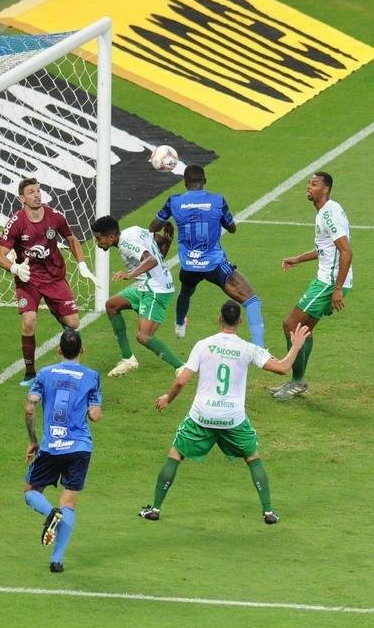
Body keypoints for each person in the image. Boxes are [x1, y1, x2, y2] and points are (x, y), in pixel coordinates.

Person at [138, 300, 310, 525]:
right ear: (240, 321)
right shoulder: (248, 349)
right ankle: (268, 512)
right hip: (233, 419)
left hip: (201, 416)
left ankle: (155, 508)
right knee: (252, 457)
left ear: (219, 319)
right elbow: (283, 368)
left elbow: (181, 381)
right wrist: (296, 346)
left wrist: (167, 399)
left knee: (175, 454)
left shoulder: (203, 345)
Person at [149, 163, 266, 348]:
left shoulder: (174, 201)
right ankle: (259, 348)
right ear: (204, 181)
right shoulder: (217, 200)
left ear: (185, 182)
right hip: (214, 265)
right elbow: (232, 228)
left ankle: (180, 324)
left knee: (186, 291)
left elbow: (153, 227)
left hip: (188, 265)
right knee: (252, 301)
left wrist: (168, 223)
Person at [0, 178, 99, 385]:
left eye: (38, 191)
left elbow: (71, 238)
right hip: (28, 278)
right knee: (29, 321)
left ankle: (63, 329)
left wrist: (82, 265)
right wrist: (15, 268)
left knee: (73, 323)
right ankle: (30, 373)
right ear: (21, 198)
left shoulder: (54, 217)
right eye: (31, 192)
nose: (37, 195)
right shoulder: (16, 222)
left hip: (54, 276)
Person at [22, 330, 102, 572]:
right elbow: (95, 416)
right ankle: (56, 560)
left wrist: (33, 440)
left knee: (30, 491)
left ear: (59, 350)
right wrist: (92, 409)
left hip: (52, 446)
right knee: (69, 502)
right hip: (80, 447)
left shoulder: (45, 374)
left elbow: (29, 408)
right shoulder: (92, 376)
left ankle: (49, 513)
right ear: (82, 349)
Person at [272, 171, 351, 401]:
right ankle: (298, 382)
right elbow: (326, 249)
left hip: (329, 282)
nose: (308, 187)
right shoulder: (325, 212)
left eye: (314, 184)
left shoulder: (329, 214)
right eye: (309, 183)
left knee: (291, 325)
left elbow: (346, 251)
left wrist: (337, 288)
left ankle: (297, 381)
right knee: (304, 331)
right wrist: (298, 259)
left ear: (324, 189)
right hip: (328, 279)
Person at [89, 215, 184, 377]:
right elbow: (158, 241)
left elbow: (151, 260)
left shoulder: (126, 244)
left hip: (156, 289)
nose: (98, 243)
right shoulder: (133, 230)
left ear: (111, 237)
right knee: (111, 305)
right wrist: (167, 241)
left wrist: (129, 274)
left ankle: (181, 367)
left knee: (143, 336)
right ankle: (128, 359)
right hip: (145, 286)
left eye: (99, 239)